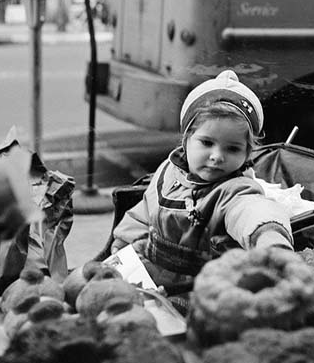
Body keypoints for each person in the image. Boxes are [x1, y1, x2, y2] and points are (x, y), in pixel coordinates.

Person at [110, 70, 293, 292]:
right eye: (207, 143)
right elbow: (143, 213)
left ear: (247, 154)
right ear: (186, 140)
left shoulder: (234, 190)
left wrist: (271, 241)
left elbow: (253, 212)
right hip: (151, 276)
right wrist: (122, 249)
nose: (217, 156)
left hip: (207, 290)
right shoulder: (168, 173)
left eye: (233, 148)